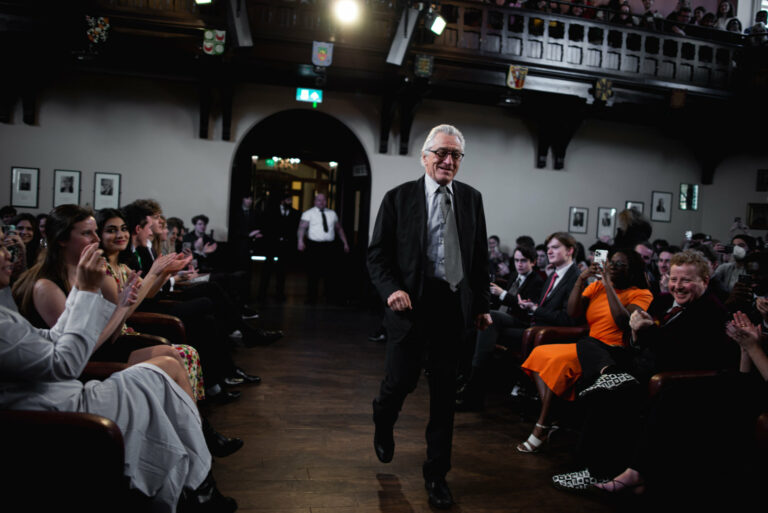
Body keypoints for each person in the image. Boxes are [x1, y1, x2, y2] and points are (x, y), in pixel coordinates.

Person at [0, 229, 237, 512]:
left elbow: (52, 338)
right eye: (88, 233)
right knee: (162, 373)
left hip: (64, 390)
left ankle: (197, 486)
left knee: (167, 367)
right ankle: (198, 486)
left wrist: (88, 291)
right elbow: (67, 363)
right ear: (62, 239)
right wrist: (89, 291)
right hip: (56, 409)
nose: (7, 255)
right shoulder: (44, 286)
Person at [368, 124, 492, 509]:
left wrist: (482, 306)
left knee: (443, 398)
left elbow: (479, 260)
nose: (448, 161)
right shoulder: (398, 198)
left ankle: (437, 474)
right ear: (424, 157)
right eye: (441, 153)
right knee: (399, 384)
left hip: (452, 309)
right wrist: (392, 290)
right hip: (410, 306)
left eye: (455, 155)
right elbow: (377, 256)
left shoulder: (471, 199)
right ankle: (383, 418)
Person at [552, 250, 736, 497]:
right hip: (639, 364)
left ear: (704, 280)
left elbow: (678, 354)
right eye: (674, 279)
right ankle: (610, 375)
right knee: (589, 344)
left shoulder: (712, 311)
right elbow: (636, 342)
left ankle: (595, 470)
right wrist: (636, 333)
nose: (678, 286)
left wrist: (646, 332)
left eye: (686, 280)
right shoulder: (662, 300)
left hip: (669, 377)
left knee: (607, 394)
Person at [517, 248, 653, 453]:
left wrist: (608, 285)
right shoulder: (596, 286)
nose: (613, 267)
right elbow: (573, 312)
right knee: (539, 354)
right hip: (588, 346)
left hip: (611, 351)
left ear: (631, 269)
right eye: (611, 262)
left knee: (557, 363)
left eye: (620, 264)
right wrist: (581, 279)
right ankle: (555, 417)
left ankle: (542, 425)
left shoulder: (640, 293)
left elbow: (623, 322)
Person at [456, 244, 545, 411]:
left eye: (523, 261)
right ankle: (464, 380)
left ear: (533, 262)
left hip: (521, 323)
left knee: (490, 320)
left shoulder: (537, 281)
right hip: (503, 321)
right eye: (516, 260)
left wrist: (503, 294)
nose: (519, 264)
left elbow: (529, 310)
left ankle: (472, 390)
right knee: (474, 327)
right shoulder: (514, 276)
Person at [297, 192, 350, 304]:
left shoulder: (332, 214)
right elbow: (302, 228)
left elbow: (339, 229)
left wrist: (345, 243)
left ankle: (329, 296)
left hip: (329, 246)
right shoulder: (308, 213)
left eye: (324, 200)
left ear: (326, 201)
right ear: (315, 201)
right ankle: (311, 297)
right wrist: (300, 241)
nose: (321, 202)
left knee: (330, 272)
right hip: (314, 246)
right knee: (313, 272)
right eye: (319, 200)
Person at [258, 193, 300, 302]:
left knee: (282, 270)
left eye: (290, 200)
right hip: (272, 243)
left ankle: (279, 293)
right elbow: (266, 225)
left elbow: (295, 228)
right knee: (267, 269)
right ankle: (262, 293)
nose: (289, 202)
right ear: (282, 201)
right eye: (288, 200)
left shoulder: (295, 213)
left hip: (285, 244)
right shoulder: (272, 211)